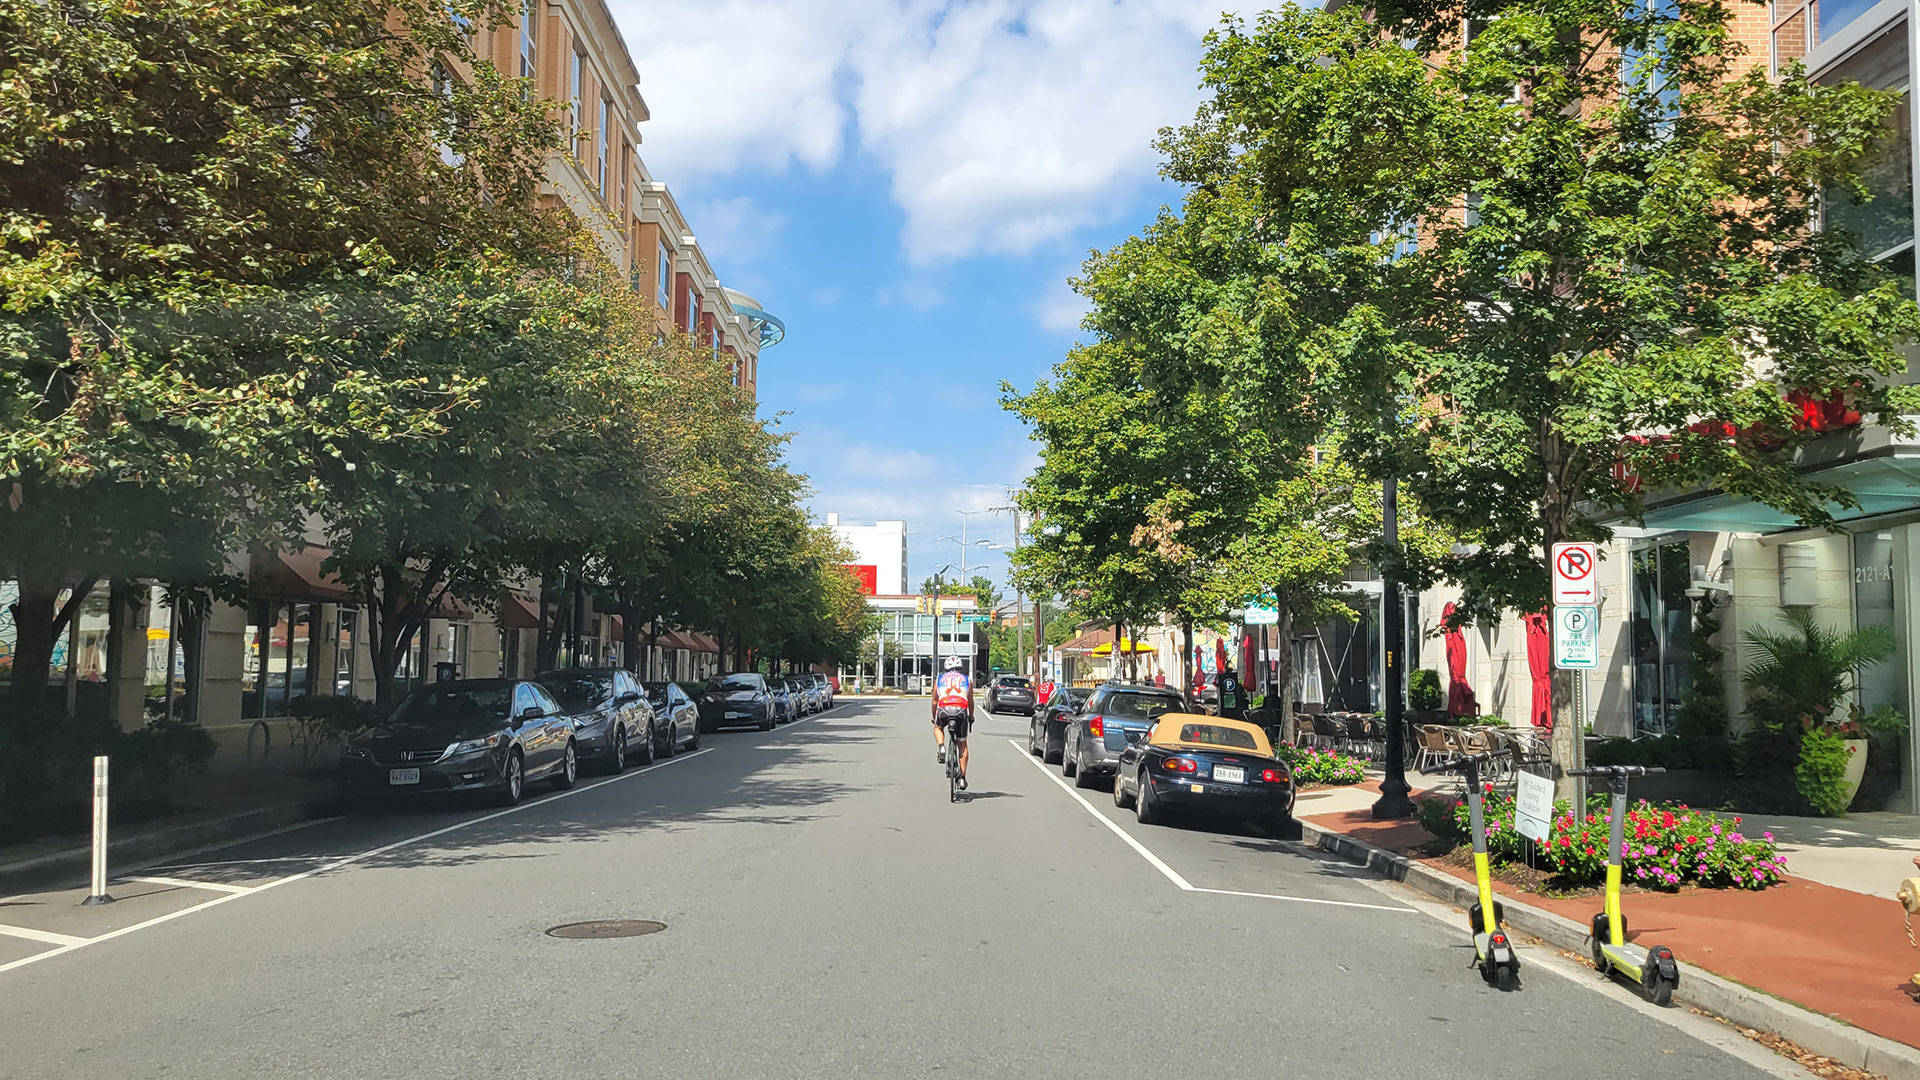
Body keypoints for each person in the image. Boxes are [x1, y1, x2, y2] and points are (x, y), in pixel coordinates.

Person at [931, 655, 974, 788]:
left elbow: (934, 700)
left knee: (938, 727)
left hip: (944, 708)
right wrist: (971, 716)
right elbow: (970, 701)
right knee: (962, 744)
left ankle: (941, 746)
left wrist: (934, 717)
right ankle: (962, 778)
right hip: (960, 710)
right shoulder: (967, 679)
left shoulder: (939, 678)